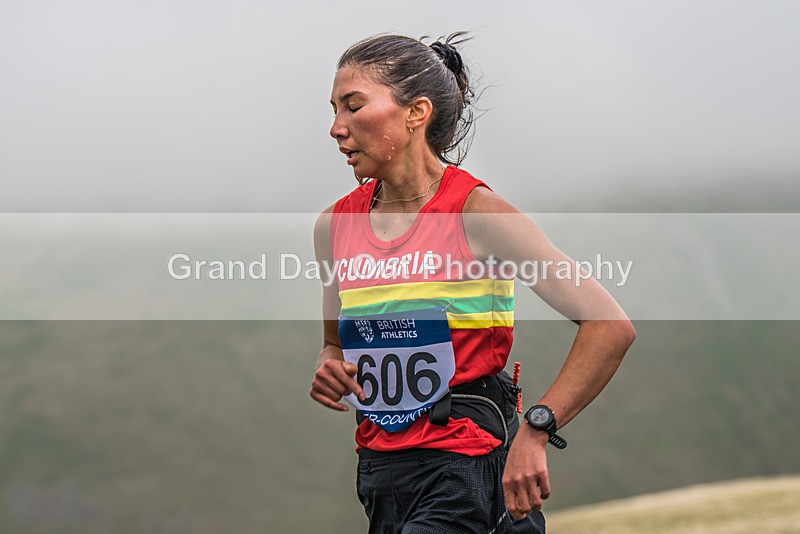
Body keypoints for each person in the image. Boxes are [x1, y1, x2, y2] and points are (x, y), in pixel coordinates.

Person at [310, 32, 636, 533]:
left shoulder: (480, 215)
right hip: (379, 473)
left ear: (416, 112)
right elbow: (334, 346)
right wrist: (331, 366)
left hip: (468, 465)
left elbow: (608, 324)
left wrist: (537, 429)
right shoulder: (334, 226)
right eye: (334, 109)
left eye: (354, 107)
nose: (336, 128)